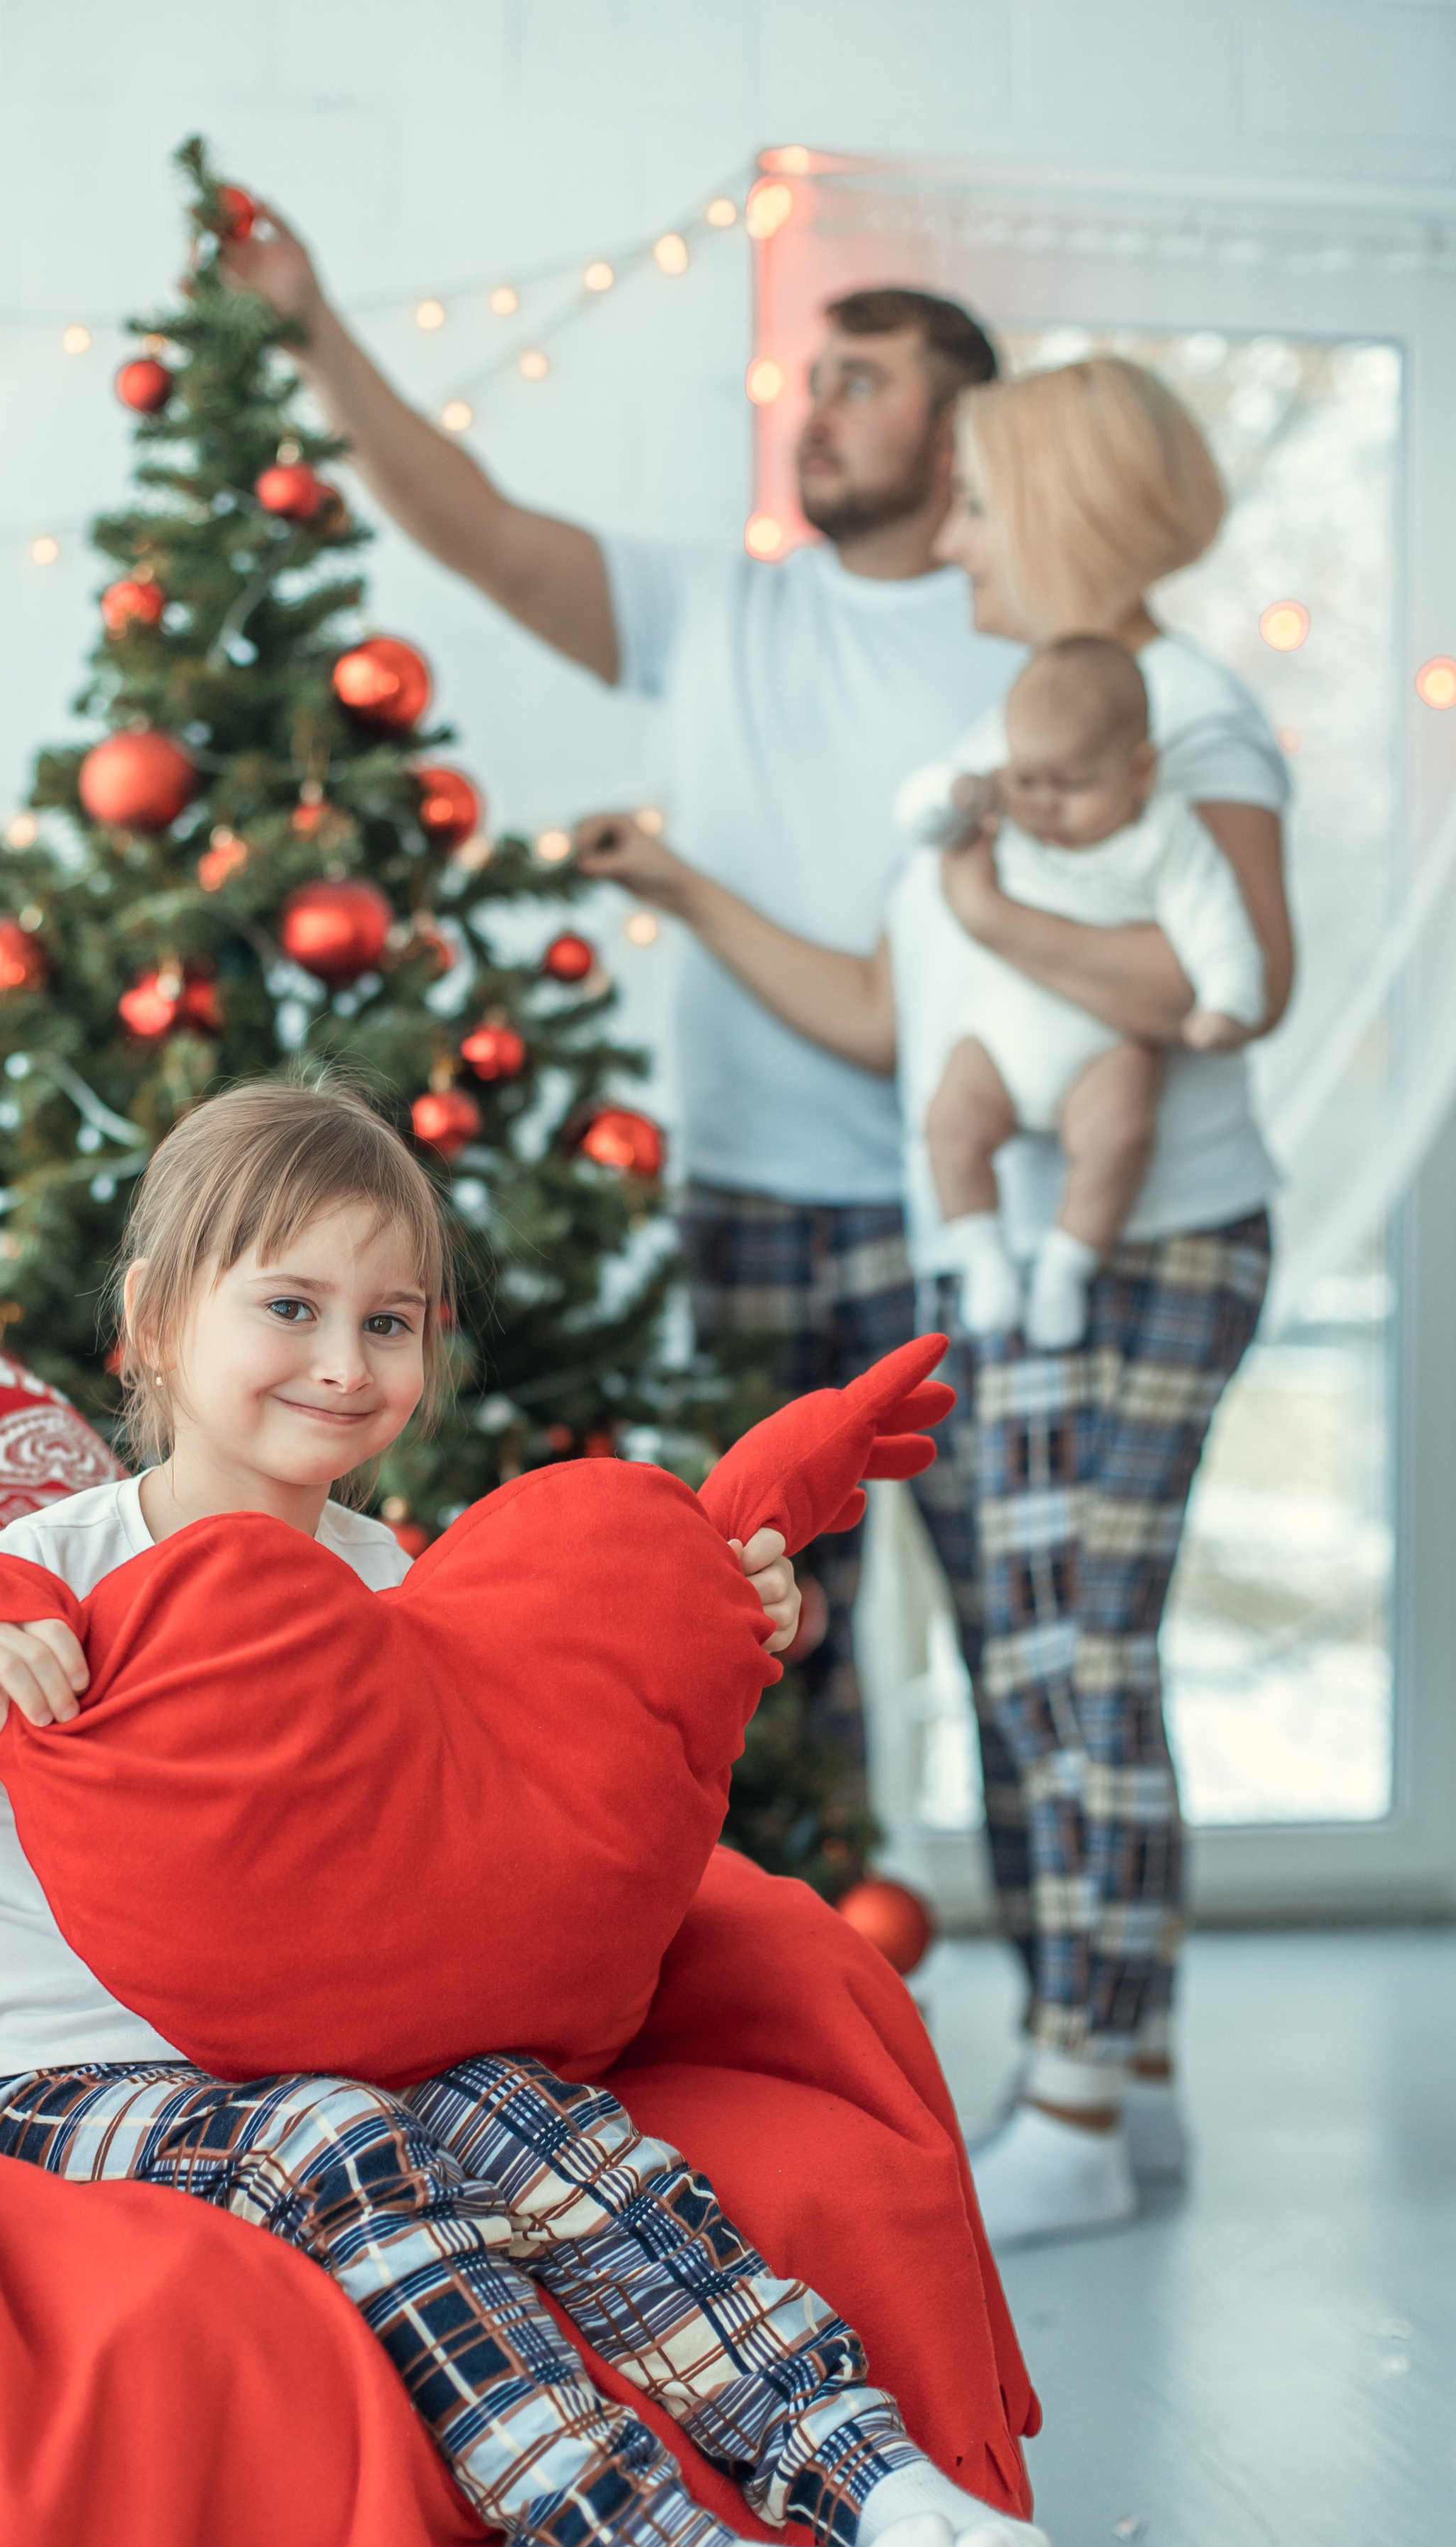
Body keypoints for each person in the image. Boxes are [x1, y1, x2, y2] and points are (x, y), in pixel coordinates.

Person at [0, 1078, 1053, 2547]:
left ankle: (866, 2473)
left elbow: (526, 1820)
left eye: (392, 1320)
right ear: (151, 1322)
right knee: (331, 2139)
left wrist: (723, 1624)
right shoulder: (59, 1561)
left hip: (332, 2036)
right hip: (40, 2077)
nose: (344, 1362)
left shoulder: (407, 1590)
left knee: (520, 2110)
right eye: (288, 1307)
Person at [218, 205, 1025, 1887]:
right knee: (767, 1649)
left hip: (976, 1216)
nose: (816, 408)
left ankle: (1088, 2076)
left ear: (960, 431)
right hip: (746, 1203)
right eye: (813, 376)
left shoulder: (1030, 655)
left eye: (860, 381)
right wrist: (305, 324)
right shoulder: (717, 611)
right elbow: (478, 531)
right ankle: (822, 2018)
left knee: (1019, 1640)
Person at [575, 356, 1291, 2247]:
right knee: (1071, 1655)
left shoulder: (1185, 719)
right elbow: (900, 1024)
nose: (951, 537)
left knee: (1071, 1663)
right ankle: (1120, 2083)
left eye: (978, 504)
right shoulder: (1022, 729)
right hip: (1048, 1251)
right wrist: (689, 887)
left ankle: (1076, 2084)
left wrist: (993, 919)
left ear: (1052, 514)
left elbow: (1238, 976)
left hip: (1144, 1248)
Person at [908, 634, 1267, 1349]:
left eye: (1070, 787)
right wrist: (951, 794)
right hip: (1002, 1027)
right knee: (948, 1123)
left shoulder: (1166, 835)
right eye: (1027, 780)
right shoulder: (998, 802)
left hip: (1105, 1041)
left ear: (1140, 769)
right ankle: (984, 1257)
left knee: (1120, 1135)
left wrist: (1229, 1002)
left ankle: (1068, 1265)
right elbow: (914, 816)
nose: (1043, 805)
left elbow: (1216, 920)